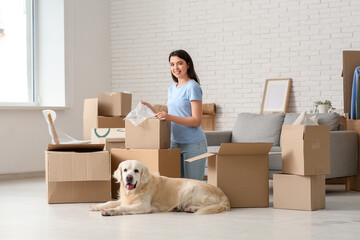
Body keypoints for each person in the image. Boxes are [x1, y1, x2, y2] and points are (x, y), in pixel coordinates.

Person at [142, 49, 207, 181]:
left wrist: (168, 116)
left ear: (188, 64)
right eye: (172, 64)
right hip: (174, 143)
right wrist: (152, 110)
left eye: (179, 63)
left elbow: (196, 121)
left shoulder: (192, 87)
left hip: (193, 144)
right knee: (177, 188)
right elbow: (171, 116)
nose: (175, 68)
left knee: (192, 187)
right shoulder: (172, 89)